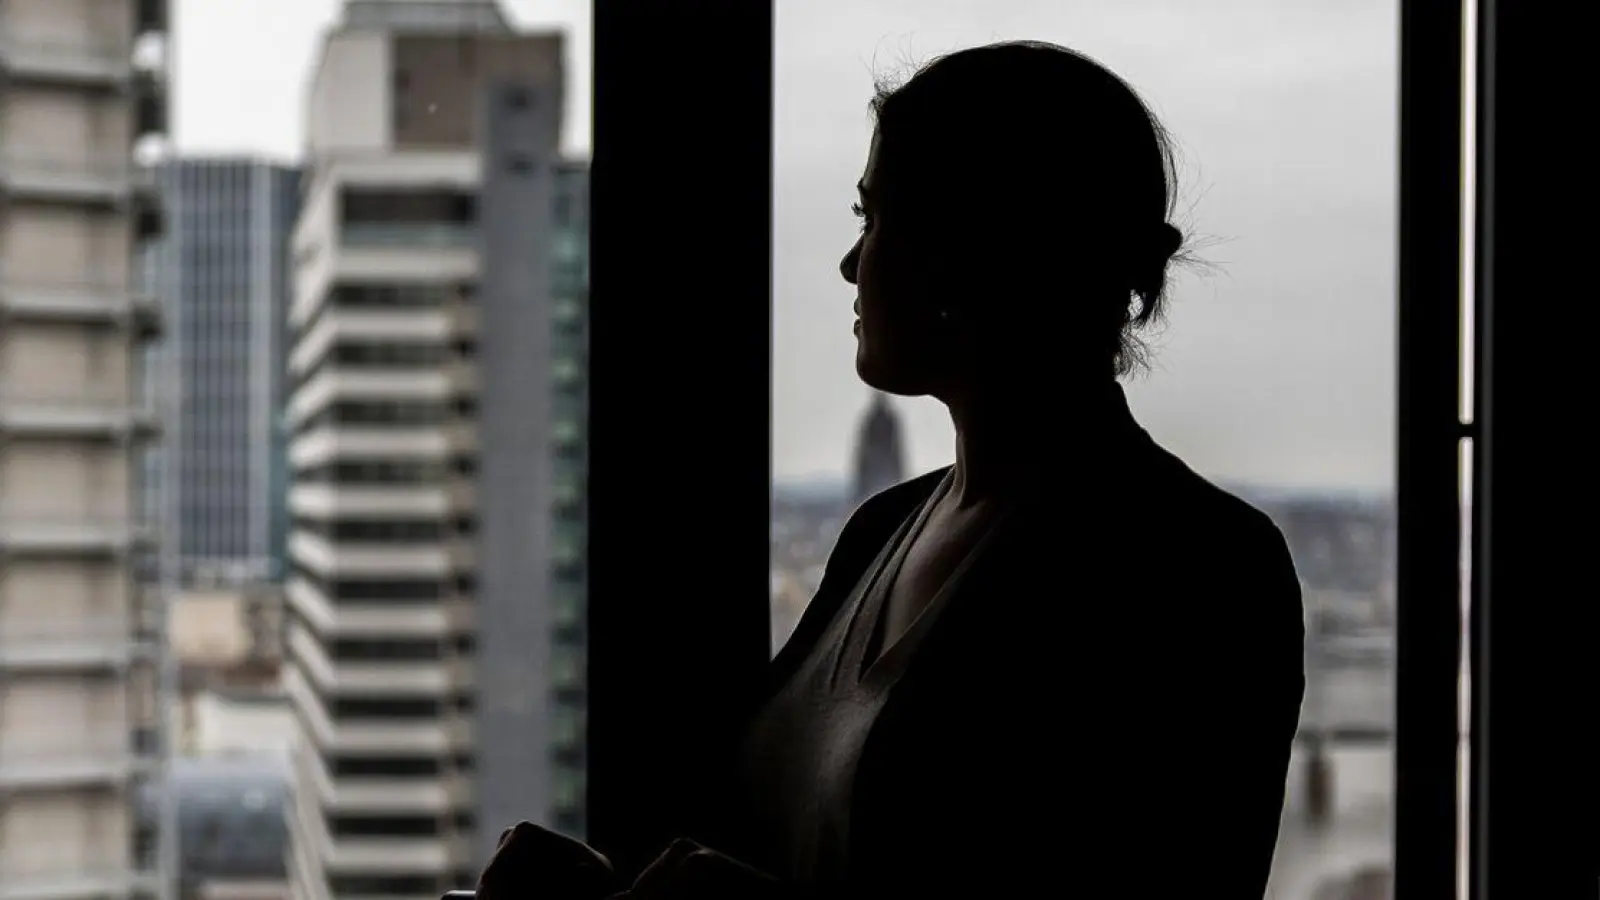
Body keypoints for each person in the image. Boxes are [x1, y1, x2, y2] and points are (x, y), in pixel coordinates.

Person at [478, 40, 1305, 899]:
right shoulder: (883, 529)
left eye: (875, 219)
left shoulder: (1198, 570)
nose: (850, 264)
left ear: (977, 248)